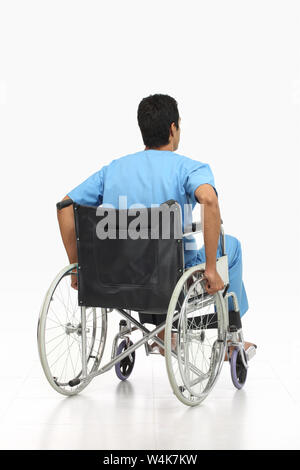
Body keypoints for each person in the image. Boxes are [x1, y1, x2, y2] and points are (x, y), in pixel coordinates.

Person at [57, 93, 255, 357]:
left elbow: (65, 206)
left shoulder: (113, 169)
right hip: (171, 278)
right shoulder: (189, 168)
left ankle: (164, 331)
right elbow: (208, 199)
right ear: (173, 128)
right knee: (233, 246)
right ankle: (232, 340)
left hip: (115, 277)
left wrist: (77, 267)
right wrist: (210, 267)